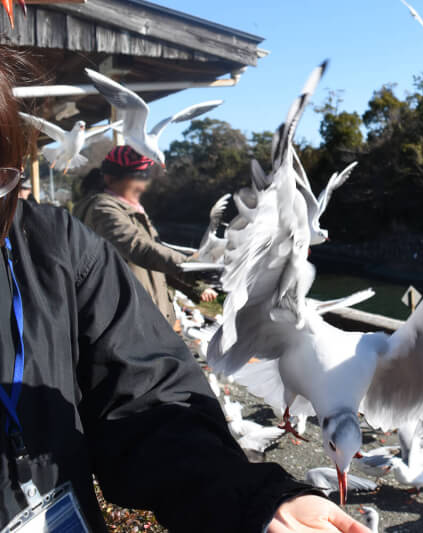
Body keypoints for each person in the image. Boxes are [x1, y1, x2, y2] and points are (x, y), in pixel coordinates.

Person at [1, 47, 368, 533]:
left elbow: (145, 397)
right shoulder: (105, 212)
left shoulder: (55, 245)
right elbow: (145, 250)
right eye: (140, 172)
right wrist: (200, 265)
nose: (146, 179)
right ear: (125, 174)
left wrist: (250, 502)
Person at [73, 149, 218, 327]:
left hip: (148, 316)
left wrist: (195, 286)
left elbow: (155, 262)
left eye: (144, 176)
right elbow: (139, 248)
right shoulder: (102, 210)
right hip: (126, 322)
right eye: (137, 176)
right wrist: (194, 269)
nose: (143, 184)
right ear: (110, 179)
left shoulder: (130, 208)